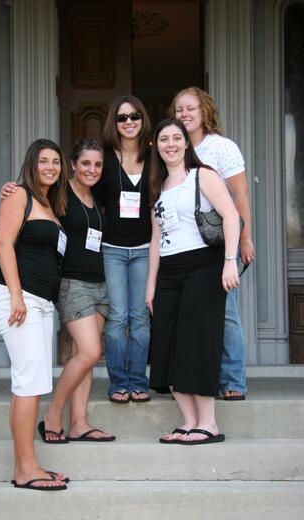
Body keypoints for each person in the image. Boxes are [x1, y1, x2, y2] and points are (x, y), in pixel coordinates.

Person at [1, 138, 115, 442]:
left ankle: (79, 422)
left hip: (100, 283)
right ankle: (54, 412)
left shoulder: (97, 195)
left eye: (98, 164)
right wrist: (9, 188)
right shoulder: (59, 192)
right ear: (73, 166)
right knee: (91, 352)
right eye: (85, 163)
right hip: (71, 282)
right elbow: (29, 201)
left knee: (83, 355)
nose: (92, 170)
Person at [146, 118, 240, 444]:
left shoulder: (204, 175)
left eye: (176, 138)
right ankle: (188, 421)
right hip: (169, 272)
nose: (170, 144)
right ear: (156, 147)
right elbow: (156, 240)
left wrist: (230, 261)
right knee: (167, 345)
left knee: (196, 341)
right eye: (163, 139)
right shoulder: (159, 186)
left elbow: (231, 215)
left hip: (204, 265)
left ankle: (209, 423)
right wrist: (151, 286)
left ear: (187, 143)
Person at [0, 139, 69, 490]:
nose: (50, 166)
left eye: (55, 161)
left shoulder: (50, 204)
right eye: (43, 161)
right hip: (17, 299)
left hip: (40, 302)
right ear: (31, 164)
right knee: (30, 384)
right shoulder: (18, 194)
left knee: (28, 383)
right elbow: (3, 244)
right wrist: (18, 296)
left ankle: (25, 464)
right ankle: (27, 469)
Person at [169, 86, 255, 400]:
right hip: (181, 245)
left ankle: (233, 380)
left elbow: (239, 196)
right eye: (179, 110)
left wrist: (244, 238)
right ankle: (192, 378)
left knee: (226, 312)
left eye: (190, 108)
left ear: (204, 111)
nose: (184, 115)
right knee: (186, 315)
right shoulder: (172, 147)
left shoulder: (221, 148)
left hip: (218, 242)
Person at [95, 95, 153, 403]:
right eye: (122, 117)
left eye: (134, 116)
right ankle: (118, 382)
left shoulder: (155, 157)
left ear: (143, 120)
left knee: (140, 317)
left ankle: (138, 382)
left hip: (145, 248)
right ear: (114, 123)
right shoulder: (102, 158)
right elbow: (82, 193)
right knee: (117, 317)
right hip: (113, 249)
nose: (128, 122)